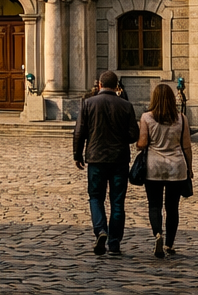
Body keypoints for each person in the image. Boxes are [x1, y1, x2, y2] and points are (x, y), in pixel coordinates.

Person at [73, 70, 139, 257]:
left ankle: (101, 230)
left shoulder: (88, 103)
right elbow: (133, 135)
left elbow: (79, 132)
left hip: (96, 159)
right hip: (119, 160)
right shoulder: (126, 105)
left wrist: (77, 155)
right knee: (117, 202)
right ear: (117, 86)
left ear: (100, 85)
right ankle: (115, 243)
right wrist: (120, 137)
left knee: (95, 197)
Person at [137, 82, 193, 258]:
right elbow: (187, 147)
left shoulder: (146, 117)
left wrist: (138, 143)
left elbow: (143, 143)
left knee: (154, 205)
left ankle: (157, 235)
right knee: (172, 207)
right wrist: (189, 168)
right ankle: (169, 244)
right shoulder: (181, 118)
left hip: (153, 167)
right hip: (176, 167)